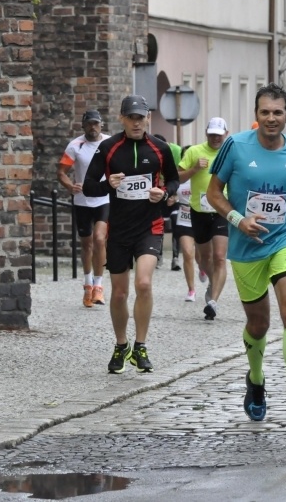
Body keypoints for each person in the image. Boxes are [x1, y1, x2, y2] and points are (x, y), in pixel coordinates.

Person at [206, 83, 286, 426]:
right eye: (265, 112)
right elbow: (213, 192)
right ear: (256, 116)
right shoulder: (236, 146)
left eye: (278, 112)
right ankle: (257, 381)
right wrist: (237, 219)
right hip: (246, 247)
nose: (271, 118)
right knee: (258, 324)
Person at [82, 95, 180, 374]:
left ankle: (141, 345)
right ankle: (121, 344)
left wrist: (165, 192)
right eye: (132, 117)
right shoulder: (109, 148)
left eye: (141, 117)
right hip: (119, 229)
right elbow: (88, 186)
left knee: (144, 284)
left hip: (150, 226)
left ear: (148, 117)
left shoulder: (160, 148)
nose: (137, 122)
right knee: (119, 294)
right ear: (122, 119)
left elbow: (173, 179)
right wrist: (107, 185)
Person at [178, 117, 230, 321]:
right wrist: (194, 170)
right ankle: (211, 281)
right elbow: (178, 176)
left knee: (219, 257)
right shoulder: (194, 151)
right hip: (198, 210)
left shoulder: (230, 153)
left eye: (219, 135)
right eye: (212, 134)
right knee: (205, 258)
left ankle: (213, 301)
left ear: (226, 134)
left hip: (222, 210)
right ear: (206, 134)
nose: (215, 138)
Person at [57, 110, 111, 308]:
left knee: (99, 239)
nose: (93, 127)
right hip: (81, 201)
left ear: (101, 125)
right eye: (89, 124)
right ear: (83, 126)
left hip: (104, 198)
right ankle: (87, 284)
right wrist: (70, 186)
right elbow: (61, 172)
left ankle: (99, 285)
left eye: (96, 123)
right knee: (87, 243)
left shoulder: (109, 143)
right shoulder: (75, 146)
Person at [169, 152, 198, 301]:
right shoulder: (179, 178)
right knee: (187, 252)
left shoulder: (203, 175)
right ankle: (191, 290)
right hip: (185, 217)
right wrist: (172, 198)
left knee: (202, 256)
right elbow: (172, 193)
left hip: (201, 217)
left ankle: (204, 269)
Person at [153, 134, 184, 271]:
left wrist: (174, 194)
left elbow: (178, 176)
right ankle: (158, 256)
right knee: (160, 225)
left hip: (173, 192)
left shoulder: (176, 151)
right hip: (159, 194)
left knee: (176, 223)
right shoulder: (150, 152)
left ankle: (175, 258)